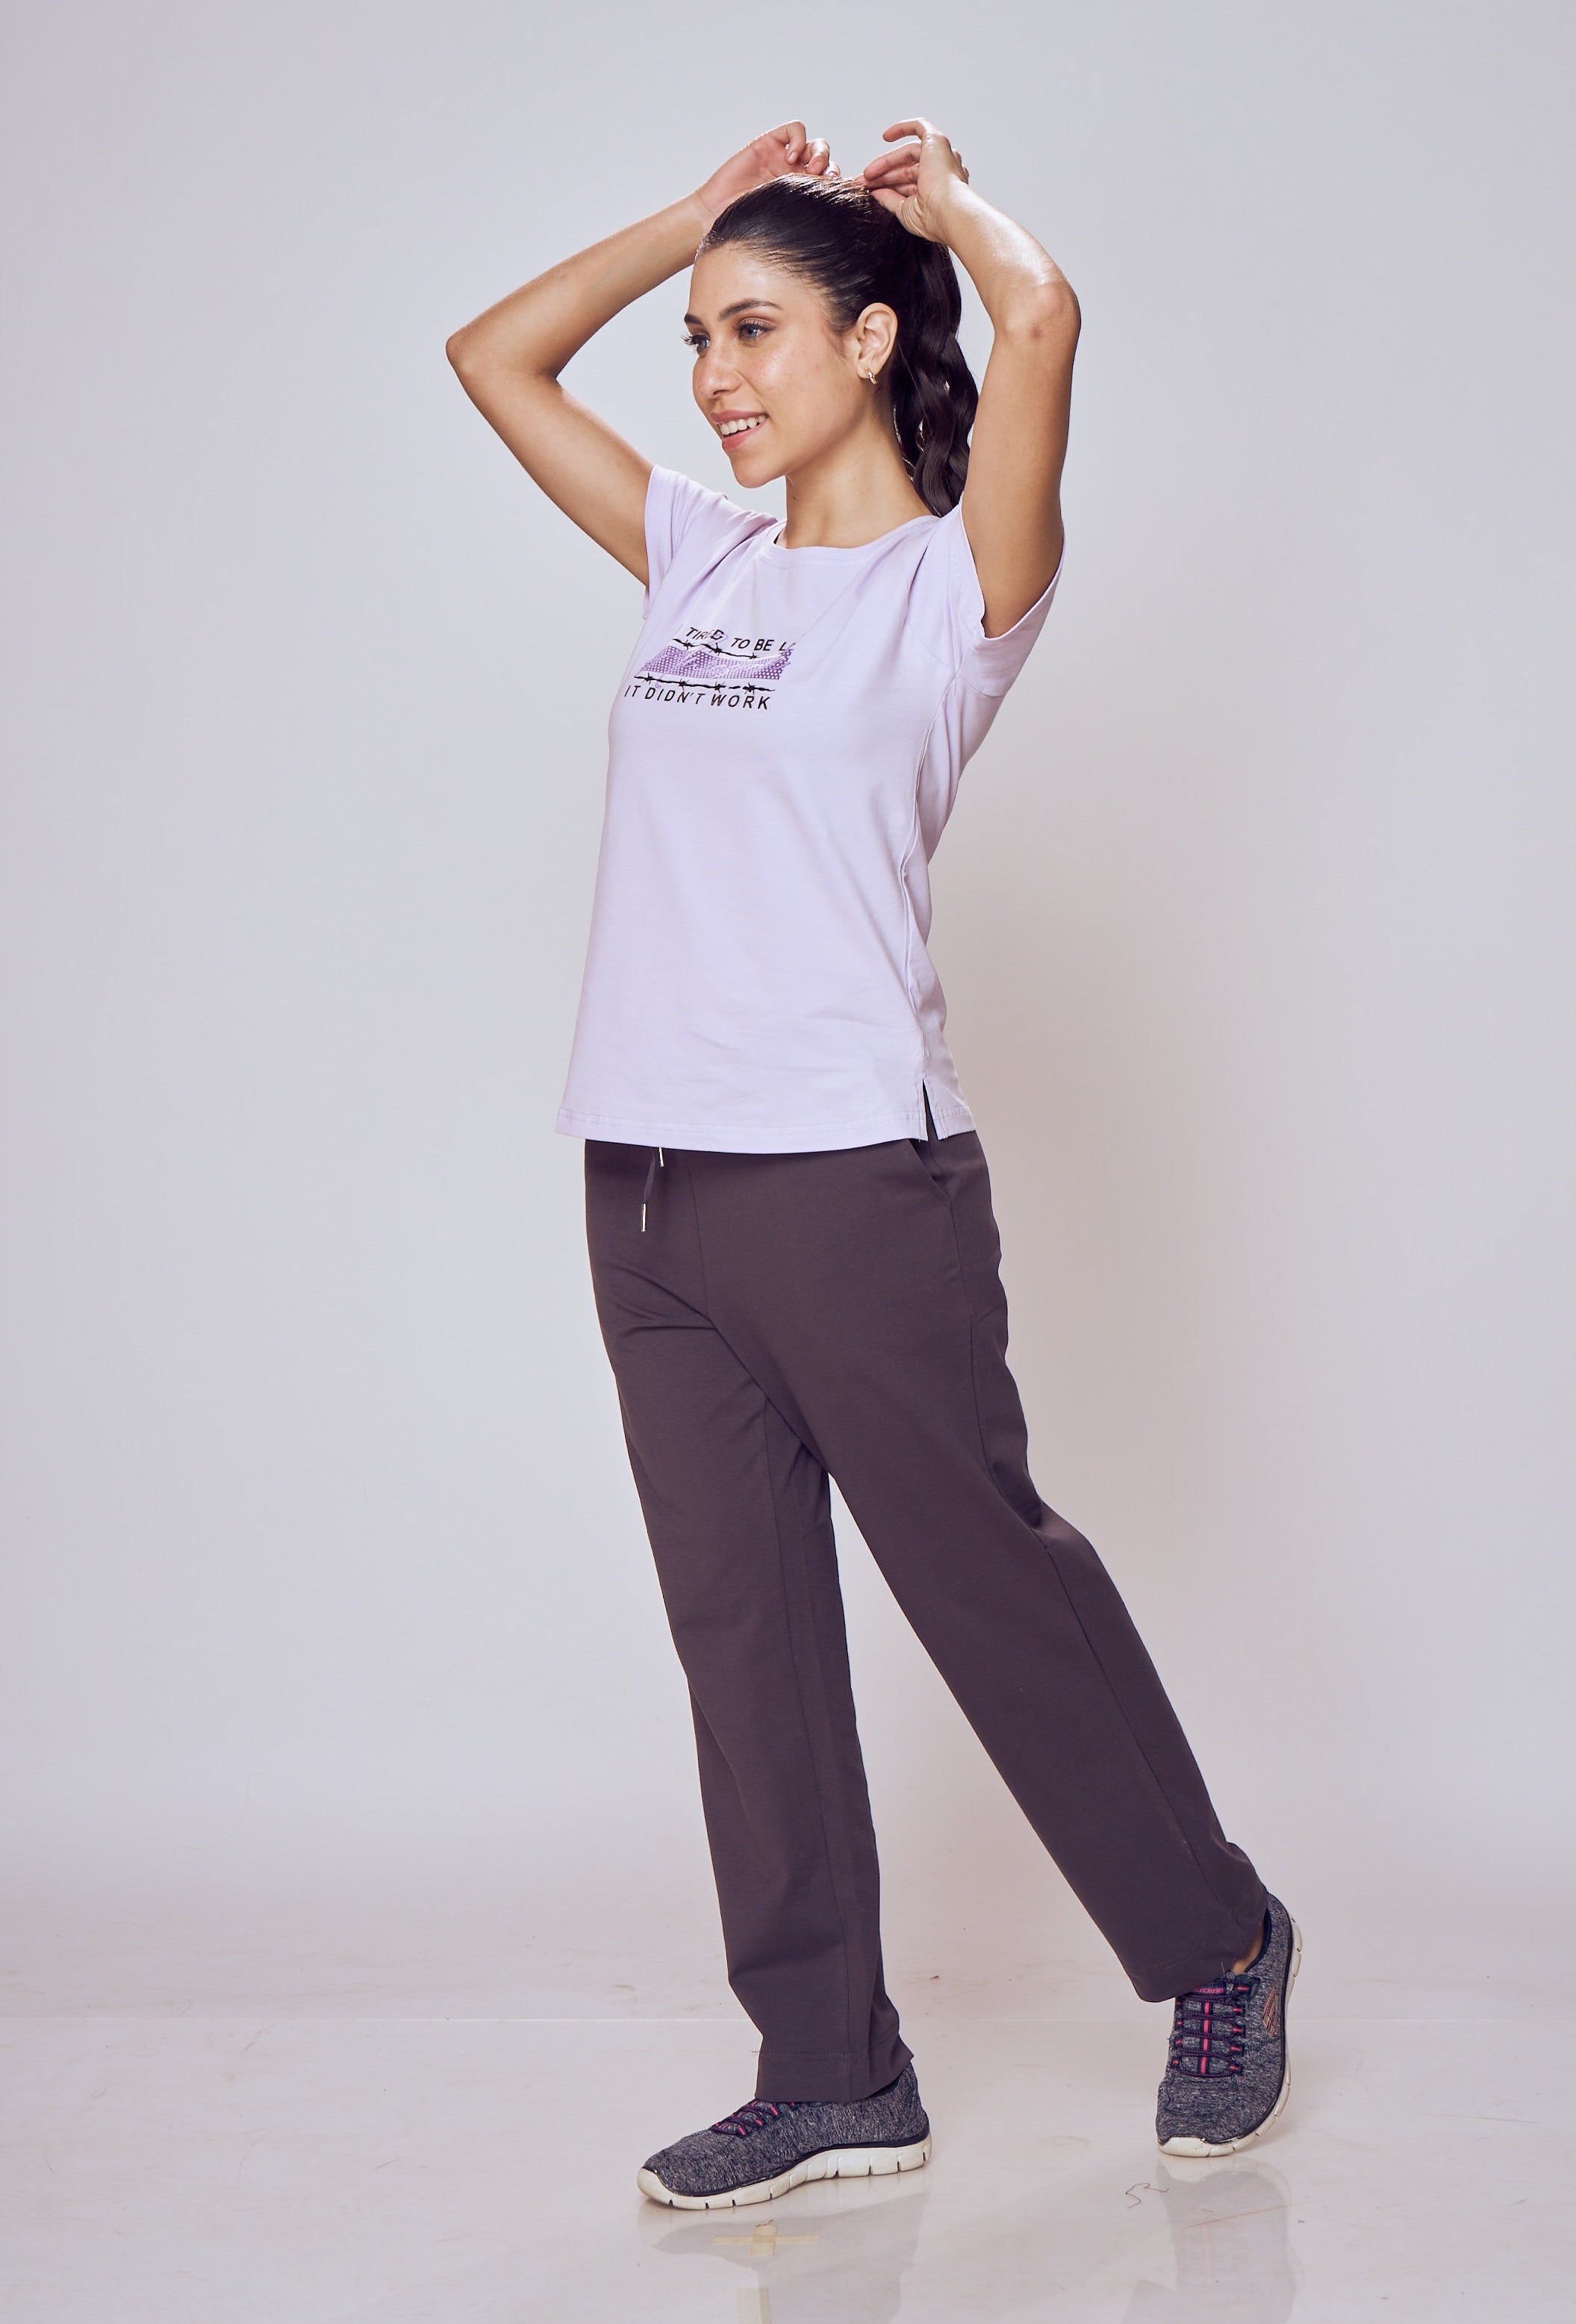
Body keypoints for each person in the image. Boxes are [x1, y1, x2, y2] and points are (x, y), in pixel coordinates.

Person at [446, 116, 1299, 2213]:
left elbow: (1047, 316)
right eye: (695, 342)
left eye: (749, 329)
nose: (715, 374)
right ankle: (828, 2066)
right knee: (741, 1629)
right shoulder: (693, 555)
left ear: (865, 337)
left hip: (846, 1176)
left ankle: (1213, 1940)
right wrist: (691, 216)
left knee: (983, 1584)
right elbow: (487, 359)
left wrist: (952, 212)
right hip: (641, 1179)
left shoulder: (955, 584)